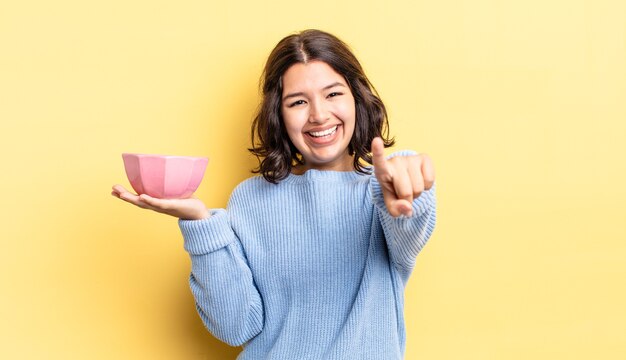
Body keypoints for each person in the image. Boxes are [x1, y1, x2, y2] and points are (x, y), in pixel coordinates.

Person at [112, 29, 436, 360]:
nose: (319, 115)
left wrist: (408, 188)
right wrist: (199, 224)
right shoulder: (250, 200)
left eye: (333, 94)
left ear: (356, 97)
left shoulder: (384, 191)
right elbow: (236, 327)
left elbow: (408, 226)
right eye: (298, 101)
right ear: (278, 113)